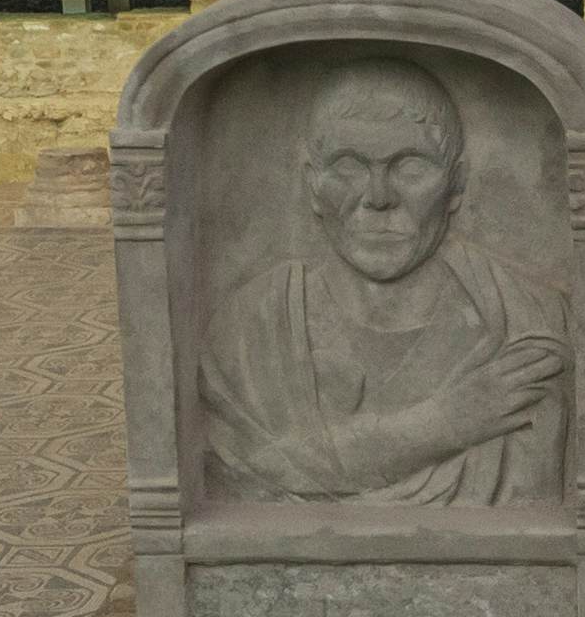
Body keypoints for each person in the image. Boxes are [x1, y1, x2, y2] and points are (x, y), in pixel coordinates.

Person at [201, 54, 565, 504]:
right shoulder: (252, 327)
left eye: (410, 167)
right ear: (313, 184)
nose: (377, 197)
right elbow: (245, 469)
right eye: (349, 166)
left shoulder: (524, 326)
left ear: (456, 184)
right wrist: (443, 423)